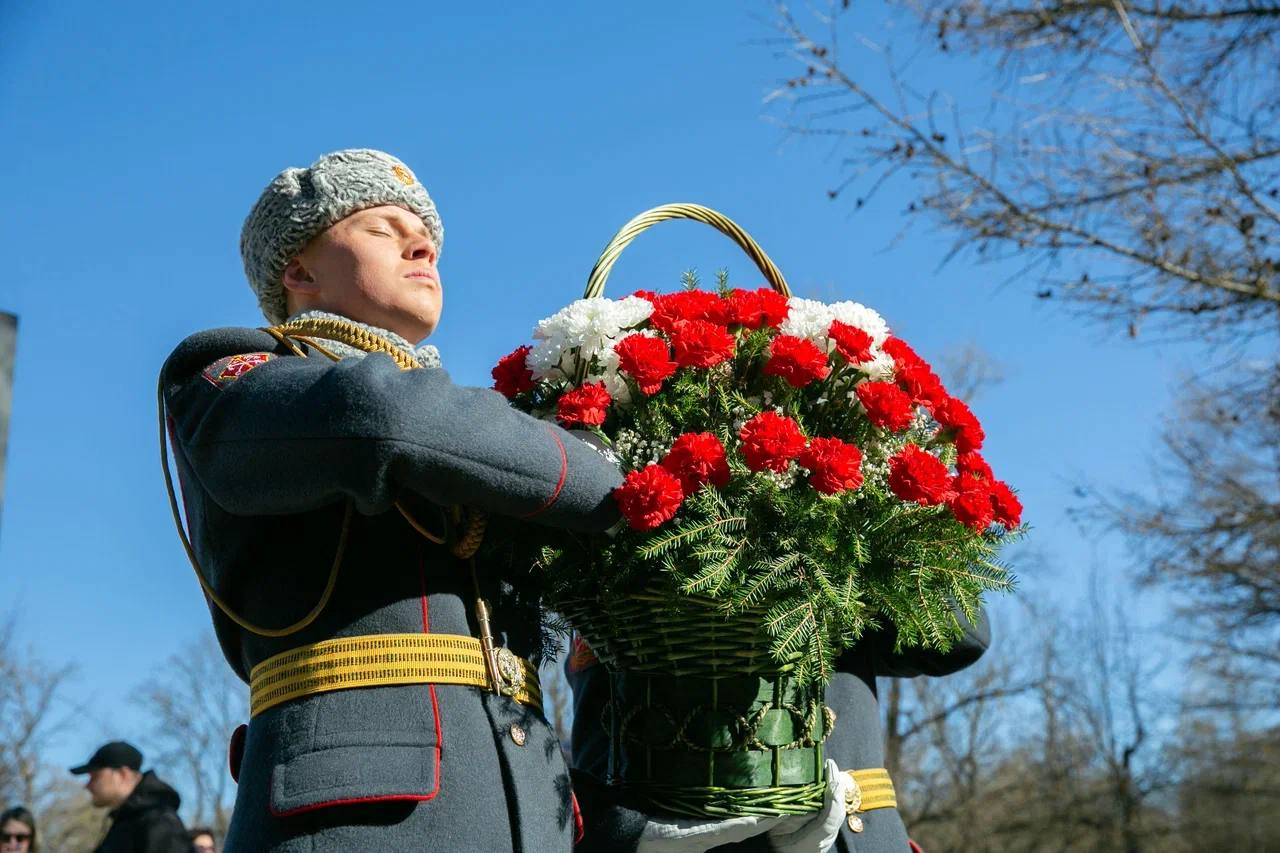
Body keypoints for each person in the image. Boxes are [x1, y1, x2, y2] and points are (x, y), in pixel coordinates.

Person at [159, 148, 626, 852]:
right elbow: (379, 417)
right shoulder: (230, 378)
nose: (423, 246)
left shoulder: (482, 444)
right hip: (354, 817)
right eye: (383, 228)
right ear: (299, 271)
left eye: (428, 236)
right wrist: (619, 483)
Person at [567, 606, 991, 852]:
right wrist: (612, 830)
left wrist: (854, 513)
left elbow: (965, 637)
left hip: (845, 837)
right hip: (651, 838)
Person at [68, 741, 190, 853]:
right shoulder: (127, 821)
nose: (87, 785)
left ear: (122, 774)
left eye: (95, 777)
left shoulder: (159, 823)